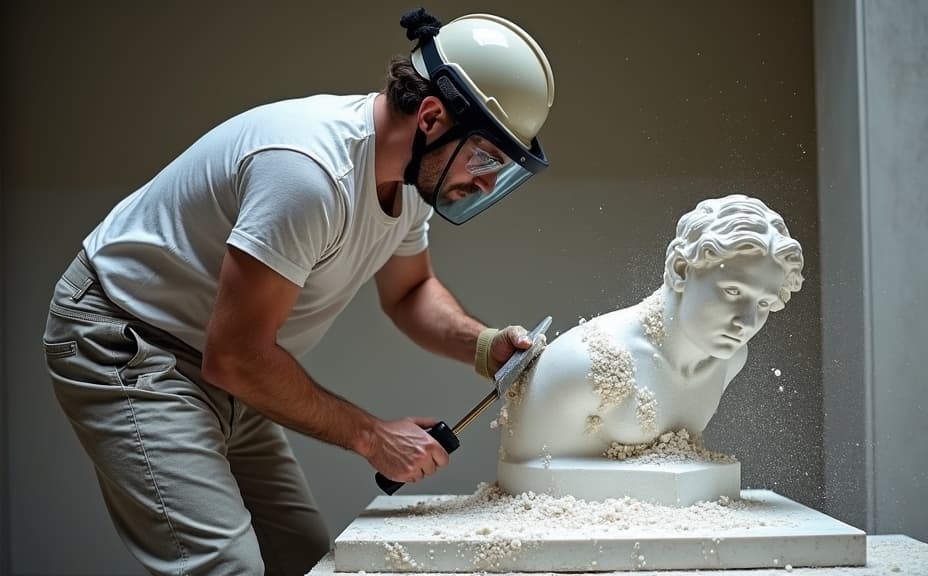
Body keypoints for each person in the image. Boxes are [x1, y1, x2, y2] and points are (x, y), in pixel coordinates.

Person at [42, 8, 555, 575]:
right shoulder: (309, 174)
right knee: (226, 565)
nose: (486, 181)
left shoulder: (408, 180)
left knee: (301, 557)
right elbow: (236, 356)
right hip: (132, 339)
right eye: (485, 158)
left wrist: (483, 346)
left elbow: (410, 292)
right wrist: (374, 438)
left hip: (223, 357)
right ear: (432, 116)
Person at [498, 195, 803, 478]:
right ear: (681, 269)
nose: (747, 322)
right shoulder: (584, 363)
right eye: (732, 291)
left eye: (763, 304)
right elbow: (526, 478)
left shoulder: (730, 359)